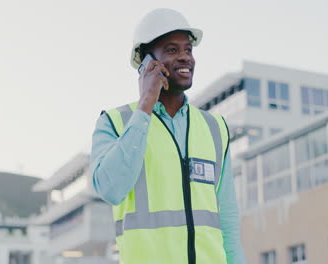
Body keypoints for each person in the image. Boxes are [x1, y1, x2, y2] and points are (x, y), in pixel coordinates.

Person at [90, 8, 245, 264]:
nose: (185, 57)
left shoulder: (215, 127)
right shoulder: (115, 123)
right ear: (147, 63)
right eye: (172, 50)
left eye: (188, 50)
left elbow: (227, 219)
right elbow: (111, 188)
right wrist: (145, 107)